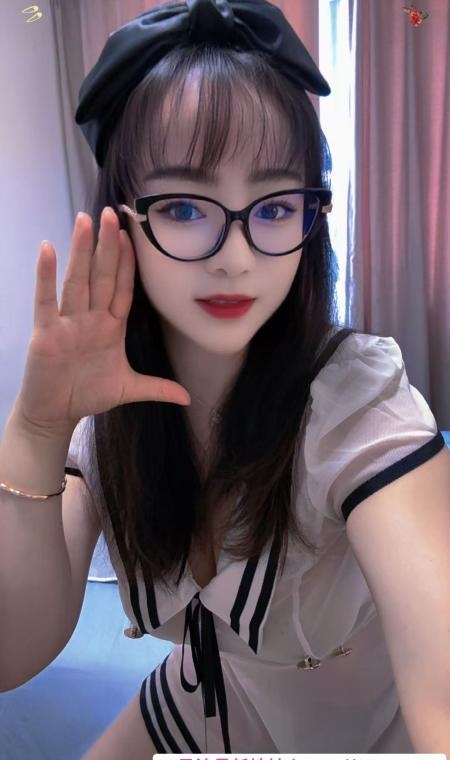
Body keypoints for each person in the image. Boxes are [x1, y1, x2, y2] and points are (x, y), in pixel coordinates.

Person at [1, 1, 449, 758]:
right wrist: (37, 429)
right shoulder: (107, 419)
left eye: (274, 207)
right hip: (214, 693)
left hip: (375, 729)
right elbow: (11, 655)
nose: (237, 257)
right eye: (183, 205)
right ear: (121, 219)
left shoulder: (358, 406)